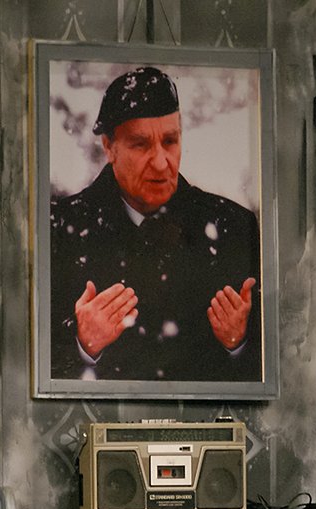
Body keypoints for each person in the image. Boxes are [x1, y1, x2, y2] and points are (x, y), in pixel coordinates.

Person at [50, 66, 262, 382]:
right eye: (141, 144)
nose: (161, 163)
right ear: (109, 147)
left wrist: (240, 342)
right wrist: (83, 344)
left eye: (170, 141)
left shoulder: (234, 227)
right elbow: (27, 369)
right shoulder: (59, 229)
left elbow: (276, 371)